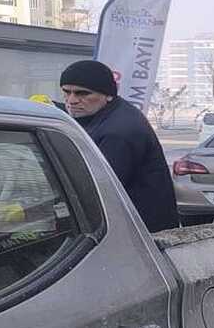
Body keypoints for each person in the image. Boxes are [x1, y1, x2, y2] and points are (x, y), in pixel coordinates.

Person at [59, 60, 179, 232]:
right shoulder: (109, 114)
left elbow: (97, 190)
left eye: (82, 93)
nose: (71, 100)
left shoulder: (119, 133)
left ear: (107, 95)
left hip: (138, 231)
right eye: (66, 92)